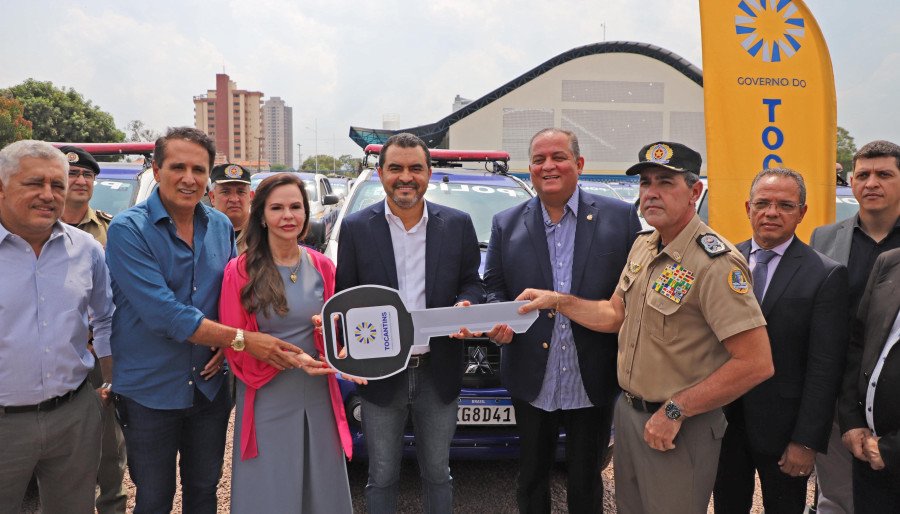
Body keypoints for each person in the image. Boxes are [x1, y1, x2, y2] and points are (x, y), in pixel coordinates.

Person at [514, 141, 774, 513]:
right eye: (646, 183)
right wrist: (559, 301)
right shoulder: (644, 247)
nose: (651, 193)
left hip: (680, 426)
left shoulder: (715, 263)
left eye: (666, 183)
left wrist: (675, 411)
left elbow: (756, 362)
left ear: (694, 192)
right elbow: (614, 314)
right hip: (632, 417)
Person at [105, 127, 312, 513]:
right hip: (151, 390)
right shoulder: (128, 230)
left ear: (208, 175)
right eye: (177, 167)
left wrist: (225, 338)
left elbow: (225, 294)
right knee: (154, 497)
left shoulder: (218, 225)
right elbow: (165, 314)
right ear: (155, 168)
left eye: (198, 169)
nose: (188, 178)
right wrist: (242, 340)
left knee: (204, 491)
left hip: (209, 386)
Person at [475, 128, 641, 513]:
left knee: (586, 479)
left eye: (558, 157)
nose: (548, 166)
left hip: (592, 374)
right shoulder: (506, 222)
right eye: (538, 160)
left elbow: (632, 293)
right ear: (530, 170)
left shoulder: (619, 218)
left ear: (579, 164)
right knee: (531, 476)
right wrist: (500, 321)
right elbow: (494, 285)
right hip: (532, 373)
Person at [335, 132, 483, 514]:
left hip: (439, 368)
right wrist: (348, 356)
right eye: (396, 168)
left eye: (415, 168)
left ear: (429, 173)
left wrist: (468, 302)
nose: (406, 177)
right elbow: (345, 296)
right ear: (381, 173)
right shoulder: (356, 228)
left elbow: (472, 280)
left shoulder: (457, 224)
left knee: (438, 472)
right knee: (381, 474)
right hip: (381, 372)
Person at [219, 173, 363, 513]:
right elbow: (234, 344)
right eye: (278, 208)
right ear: (262, 215)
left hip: (319, 394)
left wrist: (340, 353)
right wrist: (293, 359)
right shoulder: (239, 271)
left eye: (296, 207)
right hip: (267, 393)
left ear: (306, 212)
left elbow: (335, 332)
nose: (288, 216)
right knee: (272, 489)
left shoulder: (324, 266)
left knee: (321, 489)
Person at [713, 168, 849, 513]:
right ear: (748, 208)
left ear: (802, 212)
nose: (771, 212)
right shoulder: (720, 263)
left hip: (784, 430)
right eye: (763, 203)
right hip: (722, 422)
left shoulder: (825, 274)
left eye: (785, 205)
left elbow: (825, 367)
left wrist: (806, 441)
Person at [0, 140, 115, 513]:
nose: (48, 195)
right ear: (1, 187)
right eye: (34, 183)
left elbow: (106, 316)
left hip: (73, 417)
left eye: (57, 186)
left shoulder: (86, 249)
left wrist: (110, 382)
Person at [811, 139, 900, 514]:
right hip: (838, 393)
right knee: (837, 495)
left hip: (894, 398)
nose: (871, 183)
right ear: (850, 180)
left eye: (884, 174)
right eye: (862, 175)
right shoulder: (824, 238)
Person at [58, 145, 127, 514]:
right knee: (57, 442)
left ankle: (113, 506)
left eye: (87, 175)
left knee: (108, 443)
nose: (81, 180)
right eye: (73, 174)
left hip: (99, 351)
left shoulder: (112, 229)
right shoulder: (29, 230)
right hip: (54, 352)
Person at [838, 247, 900, 513]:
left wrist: (892, 450)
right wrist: (851, 421)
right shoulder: (890, 262)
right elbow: (858, 344)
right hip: (868, 456)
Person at [208, 163, 252, 236]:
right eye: (225, 192)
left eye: (241, 192)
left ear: (251, 196)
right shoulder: (200, 232)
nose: (234, 199)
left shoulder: (264, 231)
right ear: (212, 197)